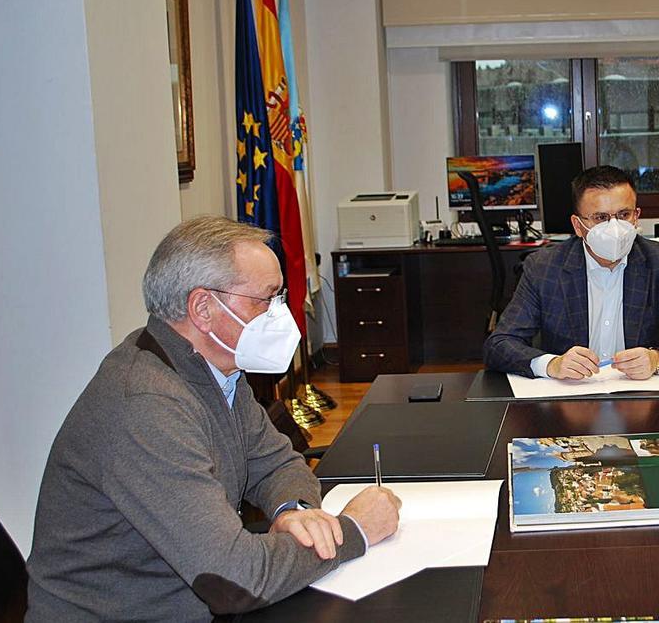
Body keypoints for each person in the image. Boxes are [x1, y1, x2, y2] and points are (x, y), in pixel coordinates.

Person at [27, 217, 403, 621]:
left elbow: (275, 461)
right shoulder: (146, 406)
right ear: (204, 308)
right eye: (266, 299)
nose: (280, 314)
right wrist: (354, 531)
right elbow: (236, 581)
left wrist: (295, 512)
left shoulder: (213, 370)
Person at [484, 165, 659, 380]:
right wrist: (551, 364)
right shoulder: (544, 268)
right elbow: (499, 345)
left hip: (640, 400)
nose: (614, 227)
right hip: (569, 400)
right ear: (578, 226)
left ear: (636, 216)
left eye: (623, 215)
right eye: (600, 217)